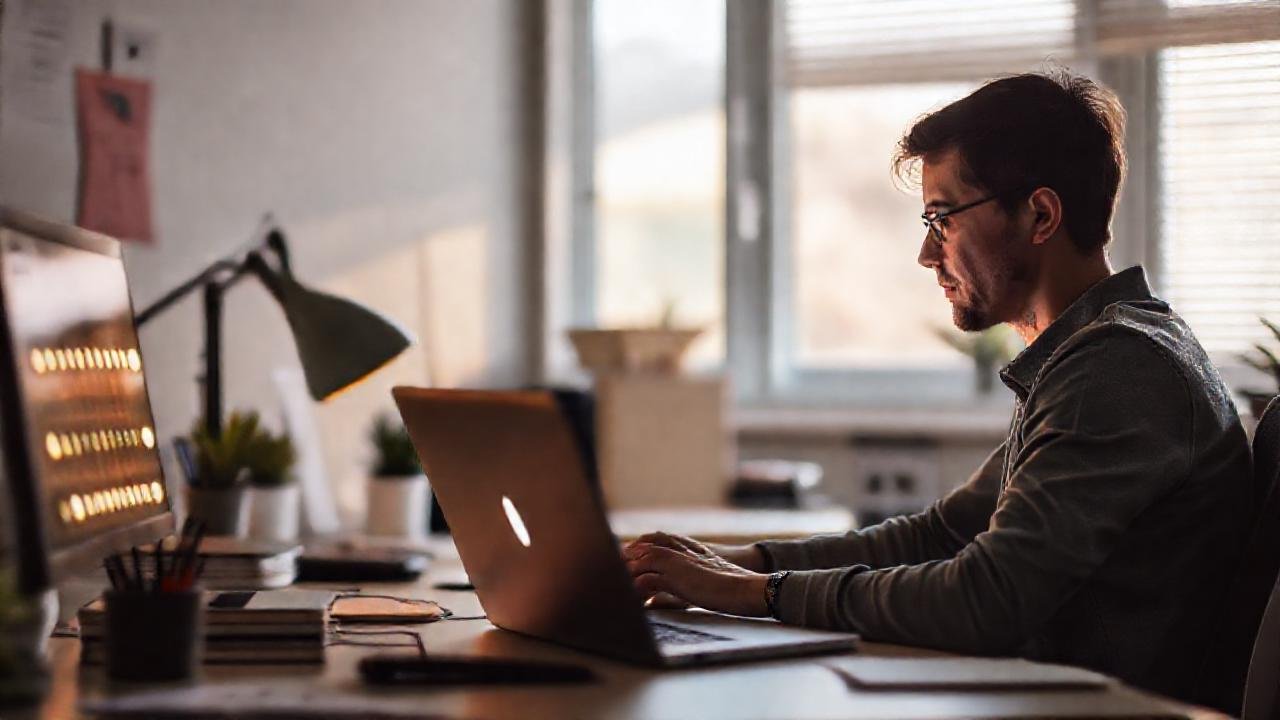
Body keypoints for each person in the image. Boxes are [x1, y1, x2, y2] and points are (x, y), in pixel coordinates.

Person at [622, 70, 1254, 706]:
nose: (927, 252)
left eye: (942, 217)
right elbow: (939, 535)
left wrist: (750, 594)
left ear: (1040, 214)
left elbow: (987, 600)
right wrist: (741, 561)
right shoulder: (1094, 352)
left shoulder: (1116, 368)